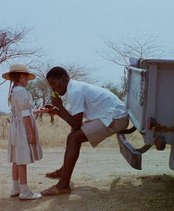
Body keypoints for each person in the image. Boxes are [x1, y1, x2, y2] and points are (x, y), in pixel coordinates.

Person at [41, 66, 129, 196]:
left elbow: (76, 124)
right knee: (73, 136)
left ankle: (63, 185)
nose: (53, 88)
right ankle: (63, 171)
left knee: (74, 138)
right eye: (51, 86)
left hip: (116, 118)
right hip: (110, 116)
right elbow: (75, 123)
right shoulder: (75, 88)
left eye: (54, 83)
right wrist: (58, 111)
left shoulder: (75, 91)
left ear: (64, 78)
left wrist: (59, 107)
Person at [2, 64, 43, 200]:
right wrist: (31, 133)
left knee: (16, 158)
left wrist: (36, 111)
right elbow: (25, 116)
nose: (27, 79)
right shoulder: (23, 93)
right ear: (20, 77)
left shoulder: (13, 92)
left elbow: (22, 112)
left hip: (15, 126)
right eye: (26, 76)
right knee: (22, 159)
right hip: (22, 128)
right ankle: (25, 191)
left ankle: (16, 187)